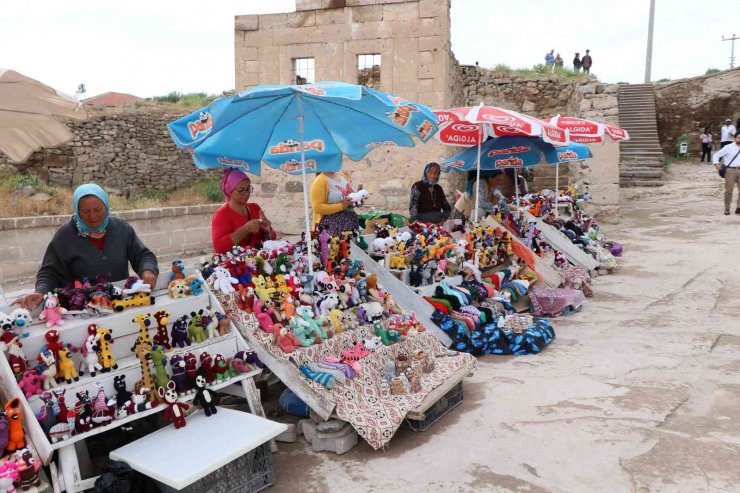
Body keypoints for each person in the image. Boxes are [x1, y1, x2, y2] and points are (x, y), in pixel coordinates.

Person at [13, 184, 159, 310]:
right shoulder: (65, 236)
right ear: (77, 210)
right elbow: (49, 272)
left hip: (120, 302)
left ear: (106, 207)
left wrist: (148, 270)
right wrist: (40, 291)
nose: (92, 216)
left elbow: (143, 255)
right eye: (85, 211)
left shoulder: (122, 228)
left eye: (98, 210)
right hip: (83, 310)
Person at [211, 168, 276, 255]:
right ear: (230, 191)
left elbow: (270, 240)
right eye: (241, 190)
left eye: (248, 189)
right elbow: (219, 248)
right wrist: (245, 229)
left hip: (258, 259)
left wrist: (266, 231)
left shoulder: (255, 208)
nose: (246, 193)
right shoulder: (222, 214)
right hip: (237, 264)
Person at [310, 171, 359, 235]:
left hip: (350, 221)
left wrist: (357, 200)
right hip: (332, 225)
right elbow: (317, 207)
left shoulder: (343, 175)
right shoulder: (319, 181)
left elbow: (348, 196)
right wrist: (342, 205)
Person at [713, 133, 740, 215]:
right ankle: (727, 208)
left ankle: (739, 207)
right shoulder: (728, 147)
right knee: (729, 191)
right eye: (739, 138)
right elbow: (716, 155)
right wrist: (716, 164)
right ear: (735, 138)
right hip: (730, 171)